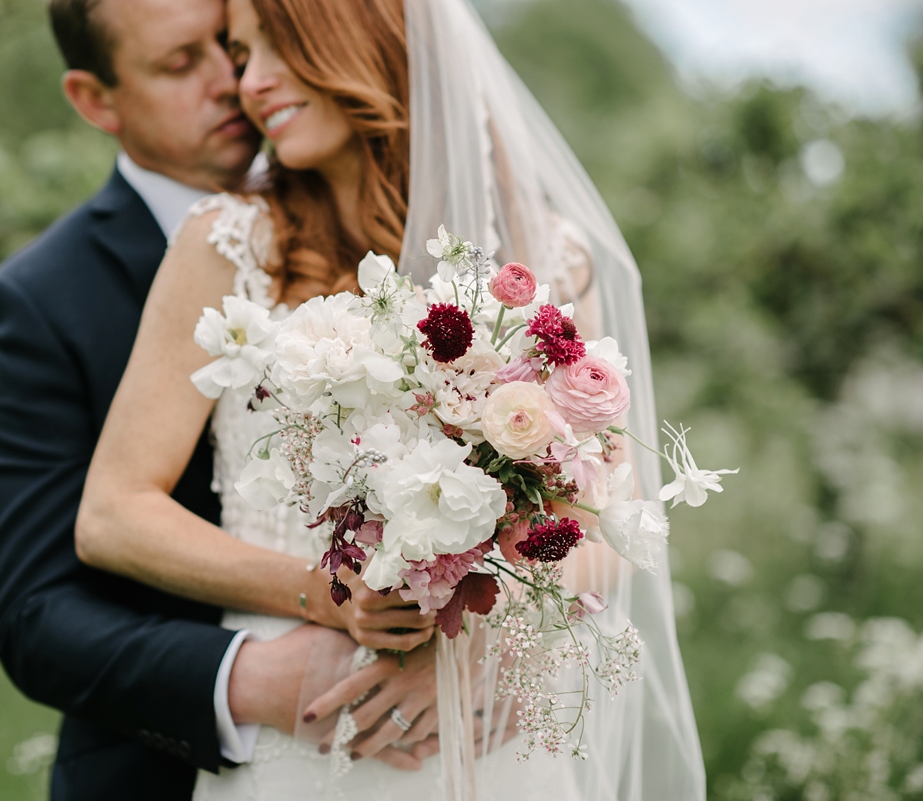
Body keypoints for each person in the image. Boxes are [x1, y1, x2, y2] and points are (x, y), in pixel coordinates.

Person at [75, 0, 710, 797]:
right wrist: (331, 597)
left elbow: (613, 525)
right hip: (312, 717)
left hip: (490, 720)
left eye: (284, 45)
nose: (253, 83)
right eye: (243, 54)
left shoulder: (542, 256)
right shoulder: (227, 243)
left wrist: (480, 642)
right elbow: (112, 515)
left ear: (369, 37)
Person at [0, 1, 432, 798]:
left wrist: (460, 654)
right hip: (170, 768)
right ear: (95, 99)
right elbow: (36, 616)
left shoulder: (423, 224)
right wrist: (251, 678)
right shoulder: (40, 298)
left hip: (436, 731)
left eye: (235, 46)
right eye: (182, 64)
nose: (236, 82)